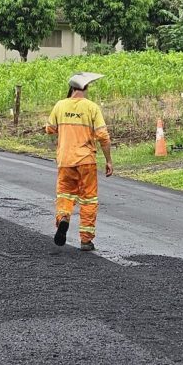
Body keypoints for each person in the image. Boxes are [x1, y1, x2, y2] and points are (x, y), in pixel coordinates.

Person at [45, 72, 112, 251]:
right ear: (86, 88)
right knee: (89, 200)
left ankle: (64, 218)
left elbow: (50, 129)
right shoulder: (91, 107)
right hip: (86, 161)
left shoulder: (60, 105)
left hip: (65, 161)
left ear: (71, 88)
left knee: (65, 195)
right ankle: (85, 240)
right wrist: (108, 161)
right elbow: (103, 136)